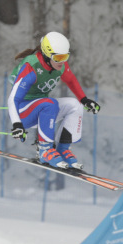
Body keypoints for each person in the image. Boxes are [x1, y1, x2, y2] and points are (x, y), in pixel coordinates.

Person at [7, 31, 100, 169]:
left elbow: (71, 80)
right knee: (50, 104)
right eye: (59, 57)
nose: (62, 61)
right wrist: (17, 124)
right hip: (23, 112)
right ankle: (44, 150)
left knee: (75, 105)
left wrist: (84, 100)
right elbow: (13, 99)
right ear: (46, 55)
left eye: (66, 56)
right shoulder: (32, 67)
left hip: (43, 109)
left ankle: (62, 149)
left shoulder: (59, 64)